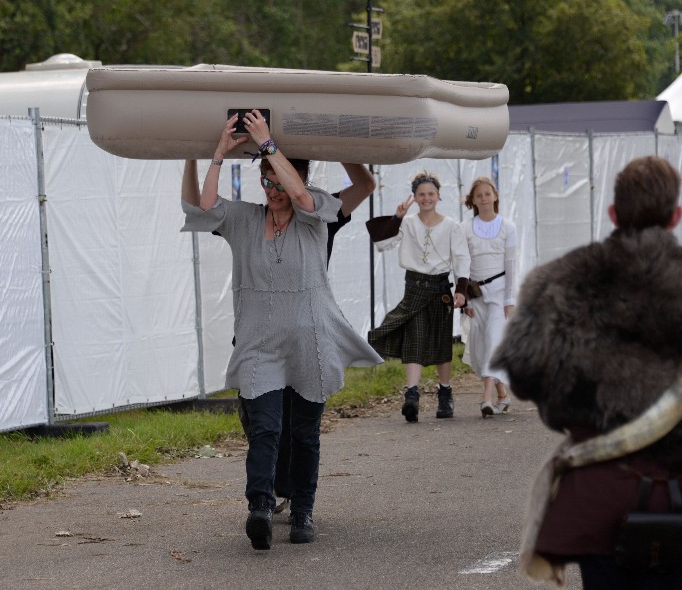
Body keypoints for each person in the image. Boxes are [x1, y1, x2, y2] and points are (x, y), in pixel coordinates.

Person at [491, 156, 682, 589]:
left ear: (613, 213)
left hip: (595, 490)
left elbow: (521, 373)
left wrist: (576, 405)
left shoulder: (561, 279)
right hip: (672, 493)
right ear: (676, 216)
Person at [180, 110, 382, 550]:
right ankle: (260, 507)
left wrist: (274, 143)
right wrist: (210, 155)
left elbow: (320, 196)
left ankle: (304, 509)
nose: (273, 191)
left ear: (298, 181)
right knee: (265, 429)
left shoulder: (317, 215)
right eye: (265, 181)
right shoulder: (247, 220)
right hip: (259, 343)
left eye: (280, 182)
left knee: (304, 432)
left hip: (309, 342)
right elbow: (204, 207)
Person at [365, 171, 470, 422]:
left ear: (438, 195)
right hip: (414, 287)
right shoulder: (408, 222)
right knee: (415, 338)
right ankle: (411, 395)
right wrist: (397, 217)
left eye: (430, 194)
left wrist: (461, 291)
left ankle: (445, 394)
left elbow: (462, 259)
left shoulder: (452, 226)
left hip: (440, 290)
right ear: (414, 197)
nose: (426, 198)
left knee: (440, 342)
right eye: (421, 194)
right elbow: (382, 243)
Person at [460, 176, 517, 418]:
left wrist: (509, 299)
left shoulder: (508, 227)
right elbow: (461, 264)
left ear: (495, 196)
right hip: (475, 293)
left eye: (487, 193)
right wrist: (463, 300)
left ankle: (486, 398)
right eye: (479, 195)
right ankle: (502, 392)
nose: (484, 198)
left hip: (498, 291)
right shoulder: (464, 228)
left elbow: (512, 264)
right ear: (472, 200)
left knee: (494, 339)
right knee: (481, 345)